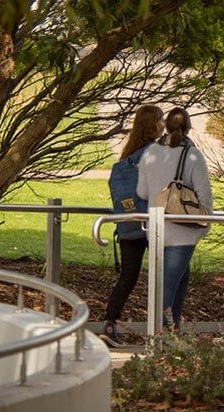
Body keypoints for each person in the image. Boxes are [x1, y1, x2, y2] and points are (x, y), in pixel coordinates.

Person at [137, 107, 213, 328]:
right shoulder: (192, 154)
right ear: (188, 127)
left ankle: (173, 326)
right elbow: (204, 195)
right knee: (168, 284)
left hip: (155, 228)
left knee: (180, 278)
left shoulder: (150, 152)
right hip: (183, 230)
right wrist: (205, 226)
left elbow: (142, 192)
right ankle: (159, 332)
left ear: (166, 126)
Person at [101, 104, 165, 347]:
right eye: (161, 120)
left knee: (128, 276)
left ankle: (110, 323)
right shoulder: (156, 151)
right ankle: (167, 329)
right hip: (153, 222)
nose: (163, 125)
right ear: (154, 124)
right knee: (171, 275)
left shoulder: (129, 154)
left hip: (128, 224)